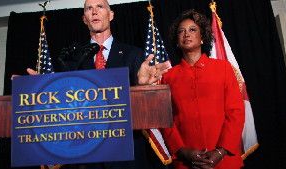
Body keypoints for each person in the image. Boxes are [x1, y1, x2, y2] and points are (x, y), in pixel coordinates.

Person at [27, 0, 170, 169]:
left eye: (100, 7)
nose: (94, 12)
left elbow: (148, 110)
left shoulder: (134, 55)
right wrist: (42, 89)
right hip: (87, 158)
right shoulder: (71, 61)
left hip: (126, 156)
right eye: (89, 8)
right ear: (84, 19)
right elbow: (65, 110)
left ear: (111, 15)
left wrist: (142, 87)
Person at [140, 9, 245, 169]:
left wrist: (220, 152)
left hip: (225, 161)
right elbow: (166, 120)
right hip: (186, 163)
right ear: (177, 41)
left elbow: (236, 113)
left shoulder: (223, 68)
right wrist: (183, 152)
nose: (186, 34)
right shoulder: (168, 77)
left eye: (192, 29)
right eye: (181, 31)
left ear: (202, 37)